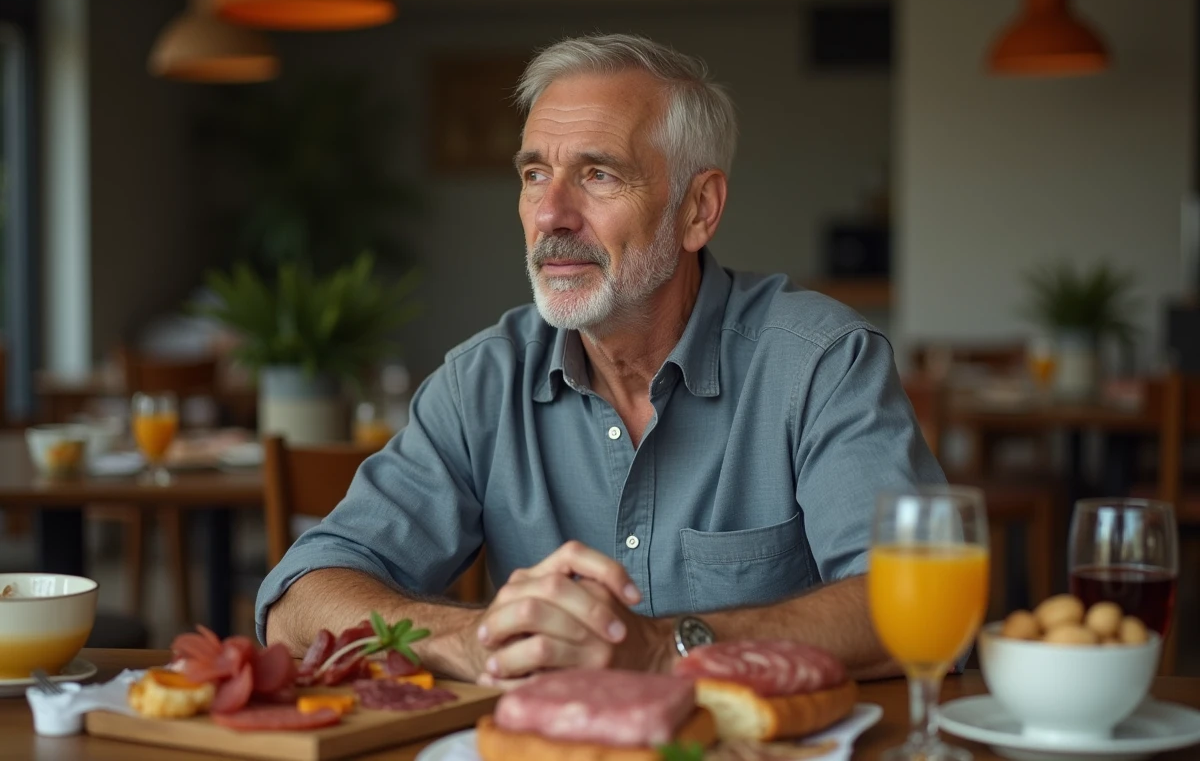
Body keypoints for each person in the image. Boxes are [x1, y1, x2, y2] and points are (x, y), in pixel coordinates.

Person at [258, 34, 943, 685]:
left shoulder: (819, 364)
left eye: (598, 173)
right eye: (535, 174)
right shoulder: (482, 384)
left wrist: (662, 650)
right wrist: (466, 640)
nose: (551, 213)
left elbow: (919, 602)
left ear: (698, 210)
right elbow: (299, 602)